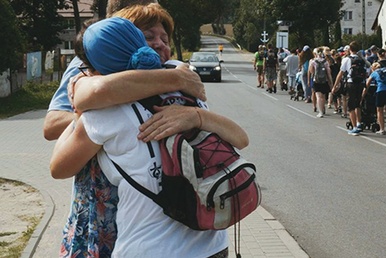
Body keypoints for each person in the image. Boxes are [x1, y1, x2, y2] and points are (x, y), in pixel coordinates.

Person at [51, 16, 248, 257]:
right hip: (212, 244)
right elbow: (241, 140)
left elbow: (59, 168)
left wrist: (79, 114)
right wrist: (198, 116)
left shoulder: (101, 115)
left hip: (149, 248)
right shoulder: (186, 89)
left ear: (94, 68)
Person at [333, 41, 368, 136]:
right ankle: (359, 123)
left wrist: (335, 85)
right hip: (360, 83)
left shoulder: (346, 59)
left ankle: (355, 127)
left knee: (351, 106)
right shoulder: (362, 59)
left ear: (350, 49)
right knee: (358, 104)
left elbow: (341, 73)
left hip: (351, 83)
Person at [364, 62, 386, 134]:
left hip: (381, 90)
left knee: (379, 110)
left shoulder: (374, 73)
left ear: (373, 68)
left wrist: (363, 94)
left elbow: (367, 84)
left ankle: (382, 129)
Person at [308, 47, 334, 118]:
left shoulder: (313, 61)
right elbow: (329, 73)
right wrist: (331, 82)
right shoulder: (325, 62)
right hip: (324, 81)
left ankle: (320, 112)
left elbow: (311, 71)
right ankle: (323, 109)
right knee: (323, 96)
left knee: (318, 96)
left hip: (316, 80)